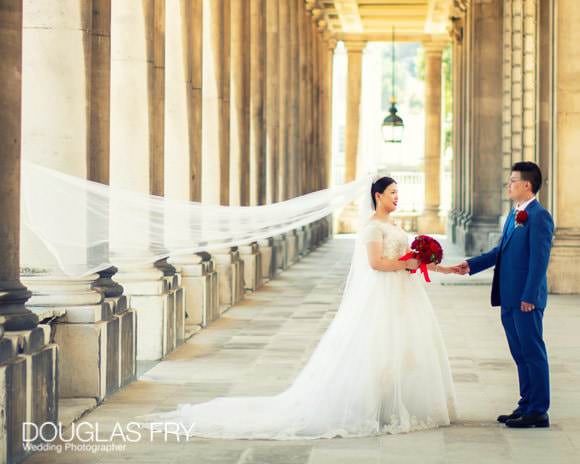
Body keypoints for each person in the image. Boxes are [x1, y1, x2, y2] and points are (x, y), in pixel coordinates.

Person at [136, 175, 458, 440]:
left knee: (401, 350)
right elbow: (376, 263)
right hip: (383, 295)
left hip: (401, 296)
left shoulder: (395, 226)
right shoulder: (373, 228)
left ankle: (393, 404)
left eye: (398, 193)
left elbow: (406, 262)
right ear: (377, 196)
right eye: (392, 193)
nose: (396, 197)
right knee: (376, 349)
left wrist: (439, 266)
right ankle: (376, 407)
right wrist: (410, 262)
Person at [451, 161, 554, 428]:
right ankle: (526, 404)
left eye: (512, 181)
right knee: (519, 353)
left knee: (533, 352)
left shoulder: (540, 216)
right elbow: (500, 253)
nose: (508, 185)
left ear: (527, 185)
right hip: (508, 297)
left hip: (526, 299)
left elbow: (539, 261)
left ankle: (539, 411)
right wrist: (471, 265)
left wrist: (530, 295)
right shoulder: (514, 215)